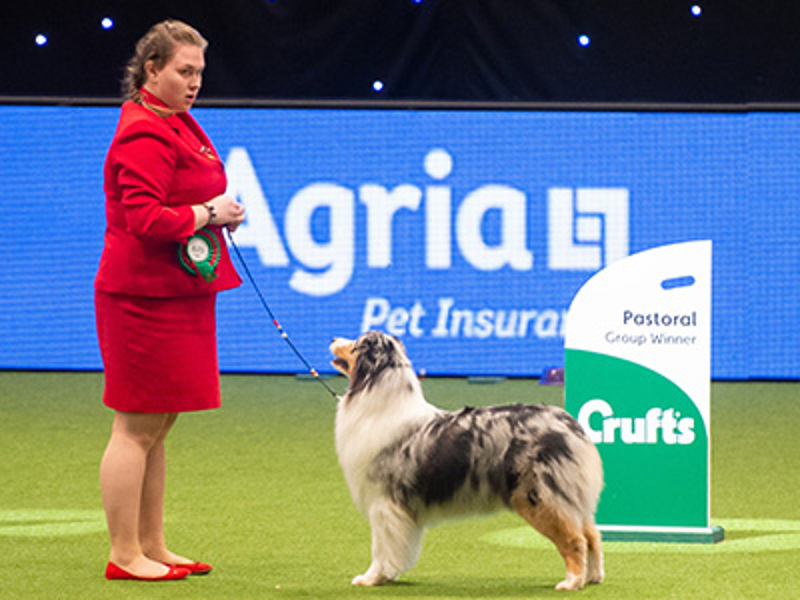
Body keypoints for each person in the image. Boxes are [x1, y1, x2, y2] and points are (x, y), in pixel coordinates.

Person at [95, 20, 245, 581]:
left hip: (178, 290)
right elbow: (144, 218)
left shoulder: (177, 121)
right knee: (134, 427)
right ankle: (123, 553)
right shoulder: (142, 131)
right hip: (140, 298)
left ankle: (152, 544)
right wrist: (210, 214)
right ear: (151, 69)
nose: (195, 82)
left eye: (200, 72)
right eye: (184, 71)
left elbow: (187, 194)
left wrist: (214, 211)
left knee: (159, 427)